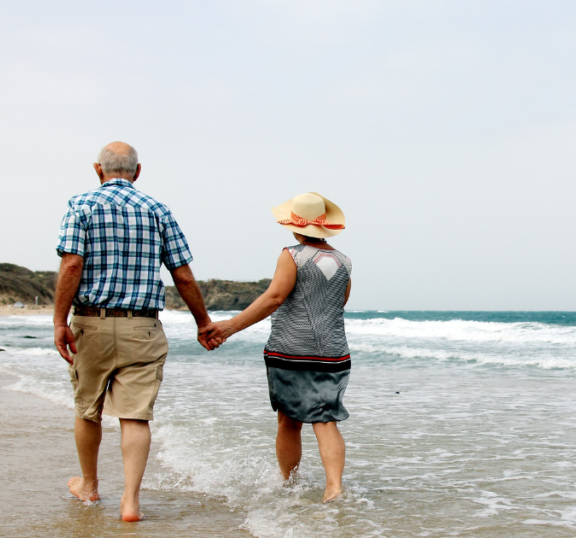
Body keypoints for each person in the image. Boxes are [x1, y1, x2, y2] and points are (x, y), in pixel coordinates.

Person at [52, 141, 215, 521]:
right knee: (135, 416)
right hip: (142, 326)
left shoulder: (81, 205)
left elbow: (72, 266)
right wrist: (203, 322)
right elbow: (182, 274)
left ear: (98, 170)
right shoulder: (158, 210)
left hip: (90, 322)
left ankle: (90, 488)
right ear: (137, 172)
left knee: (87, 409)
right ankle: (130, 501)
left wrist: (60, 321)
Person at [202, 192, 352, 502]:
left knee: (289, 420)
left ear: (295, 227)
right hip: (334, 353)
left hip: (291, 351)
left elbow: (274, 298)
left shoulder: (292, 254)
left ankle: (288, 483)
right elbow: (338, 304)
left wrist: (229, 327)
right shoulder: (344, 261)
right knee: (326, 419)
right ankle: (334, 487)